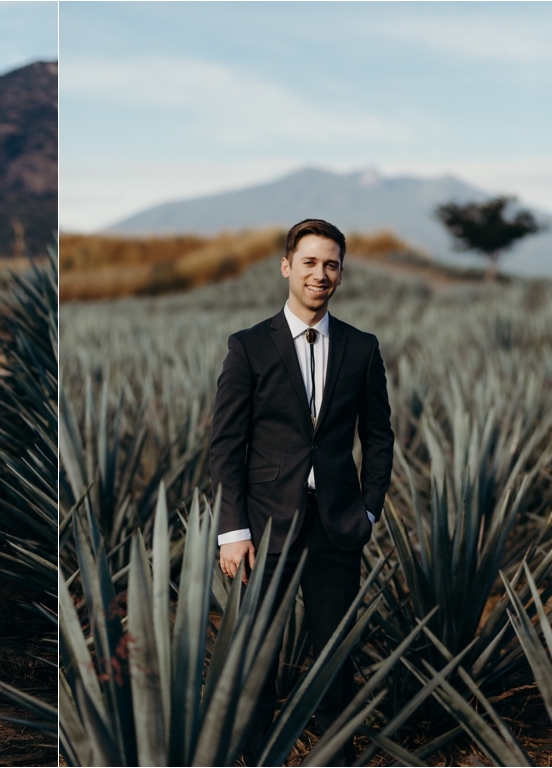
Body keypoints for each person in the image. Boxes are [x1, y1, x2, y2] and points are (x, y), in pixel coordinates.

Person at [210, 218, 394, 765]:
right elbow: (226, 444)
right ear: (287, 266)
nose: (321, 274)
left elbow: (379, 436)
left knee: (335, 656)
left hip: (338, 525)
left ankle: (334, 756)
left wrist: (370, 512)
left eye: (331, 264)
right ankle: (256, 756)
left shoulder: (362, 348)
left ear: (341, 272)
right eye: (309, 262)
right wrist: (232, 531)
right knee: (258, 657)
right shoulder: (248, 347)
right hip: (264, 528)